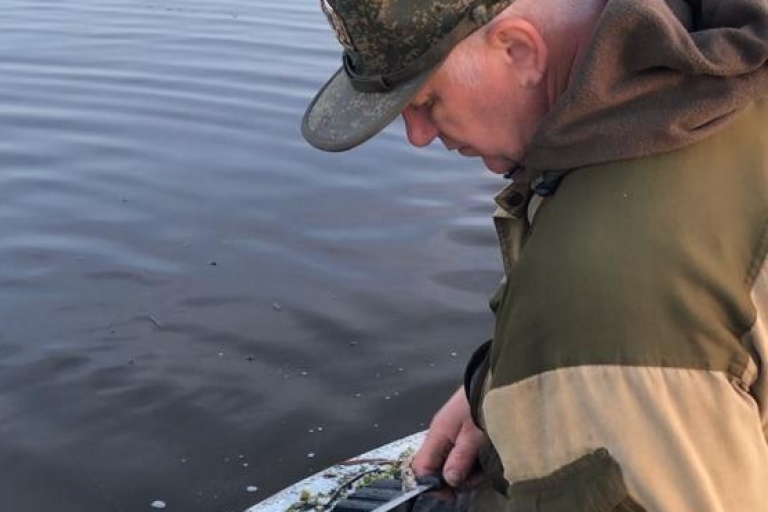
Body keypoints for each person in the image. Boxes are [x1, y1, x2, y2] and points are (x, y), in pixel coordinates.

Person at [302, 0, 768, 510]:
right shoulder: (723, 75)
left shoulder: (595, 303)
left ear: (520, 51)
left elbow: (626, 314)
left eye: (428, 100)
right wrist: (500, 390)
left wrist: (566, 370)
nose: (418, 136)